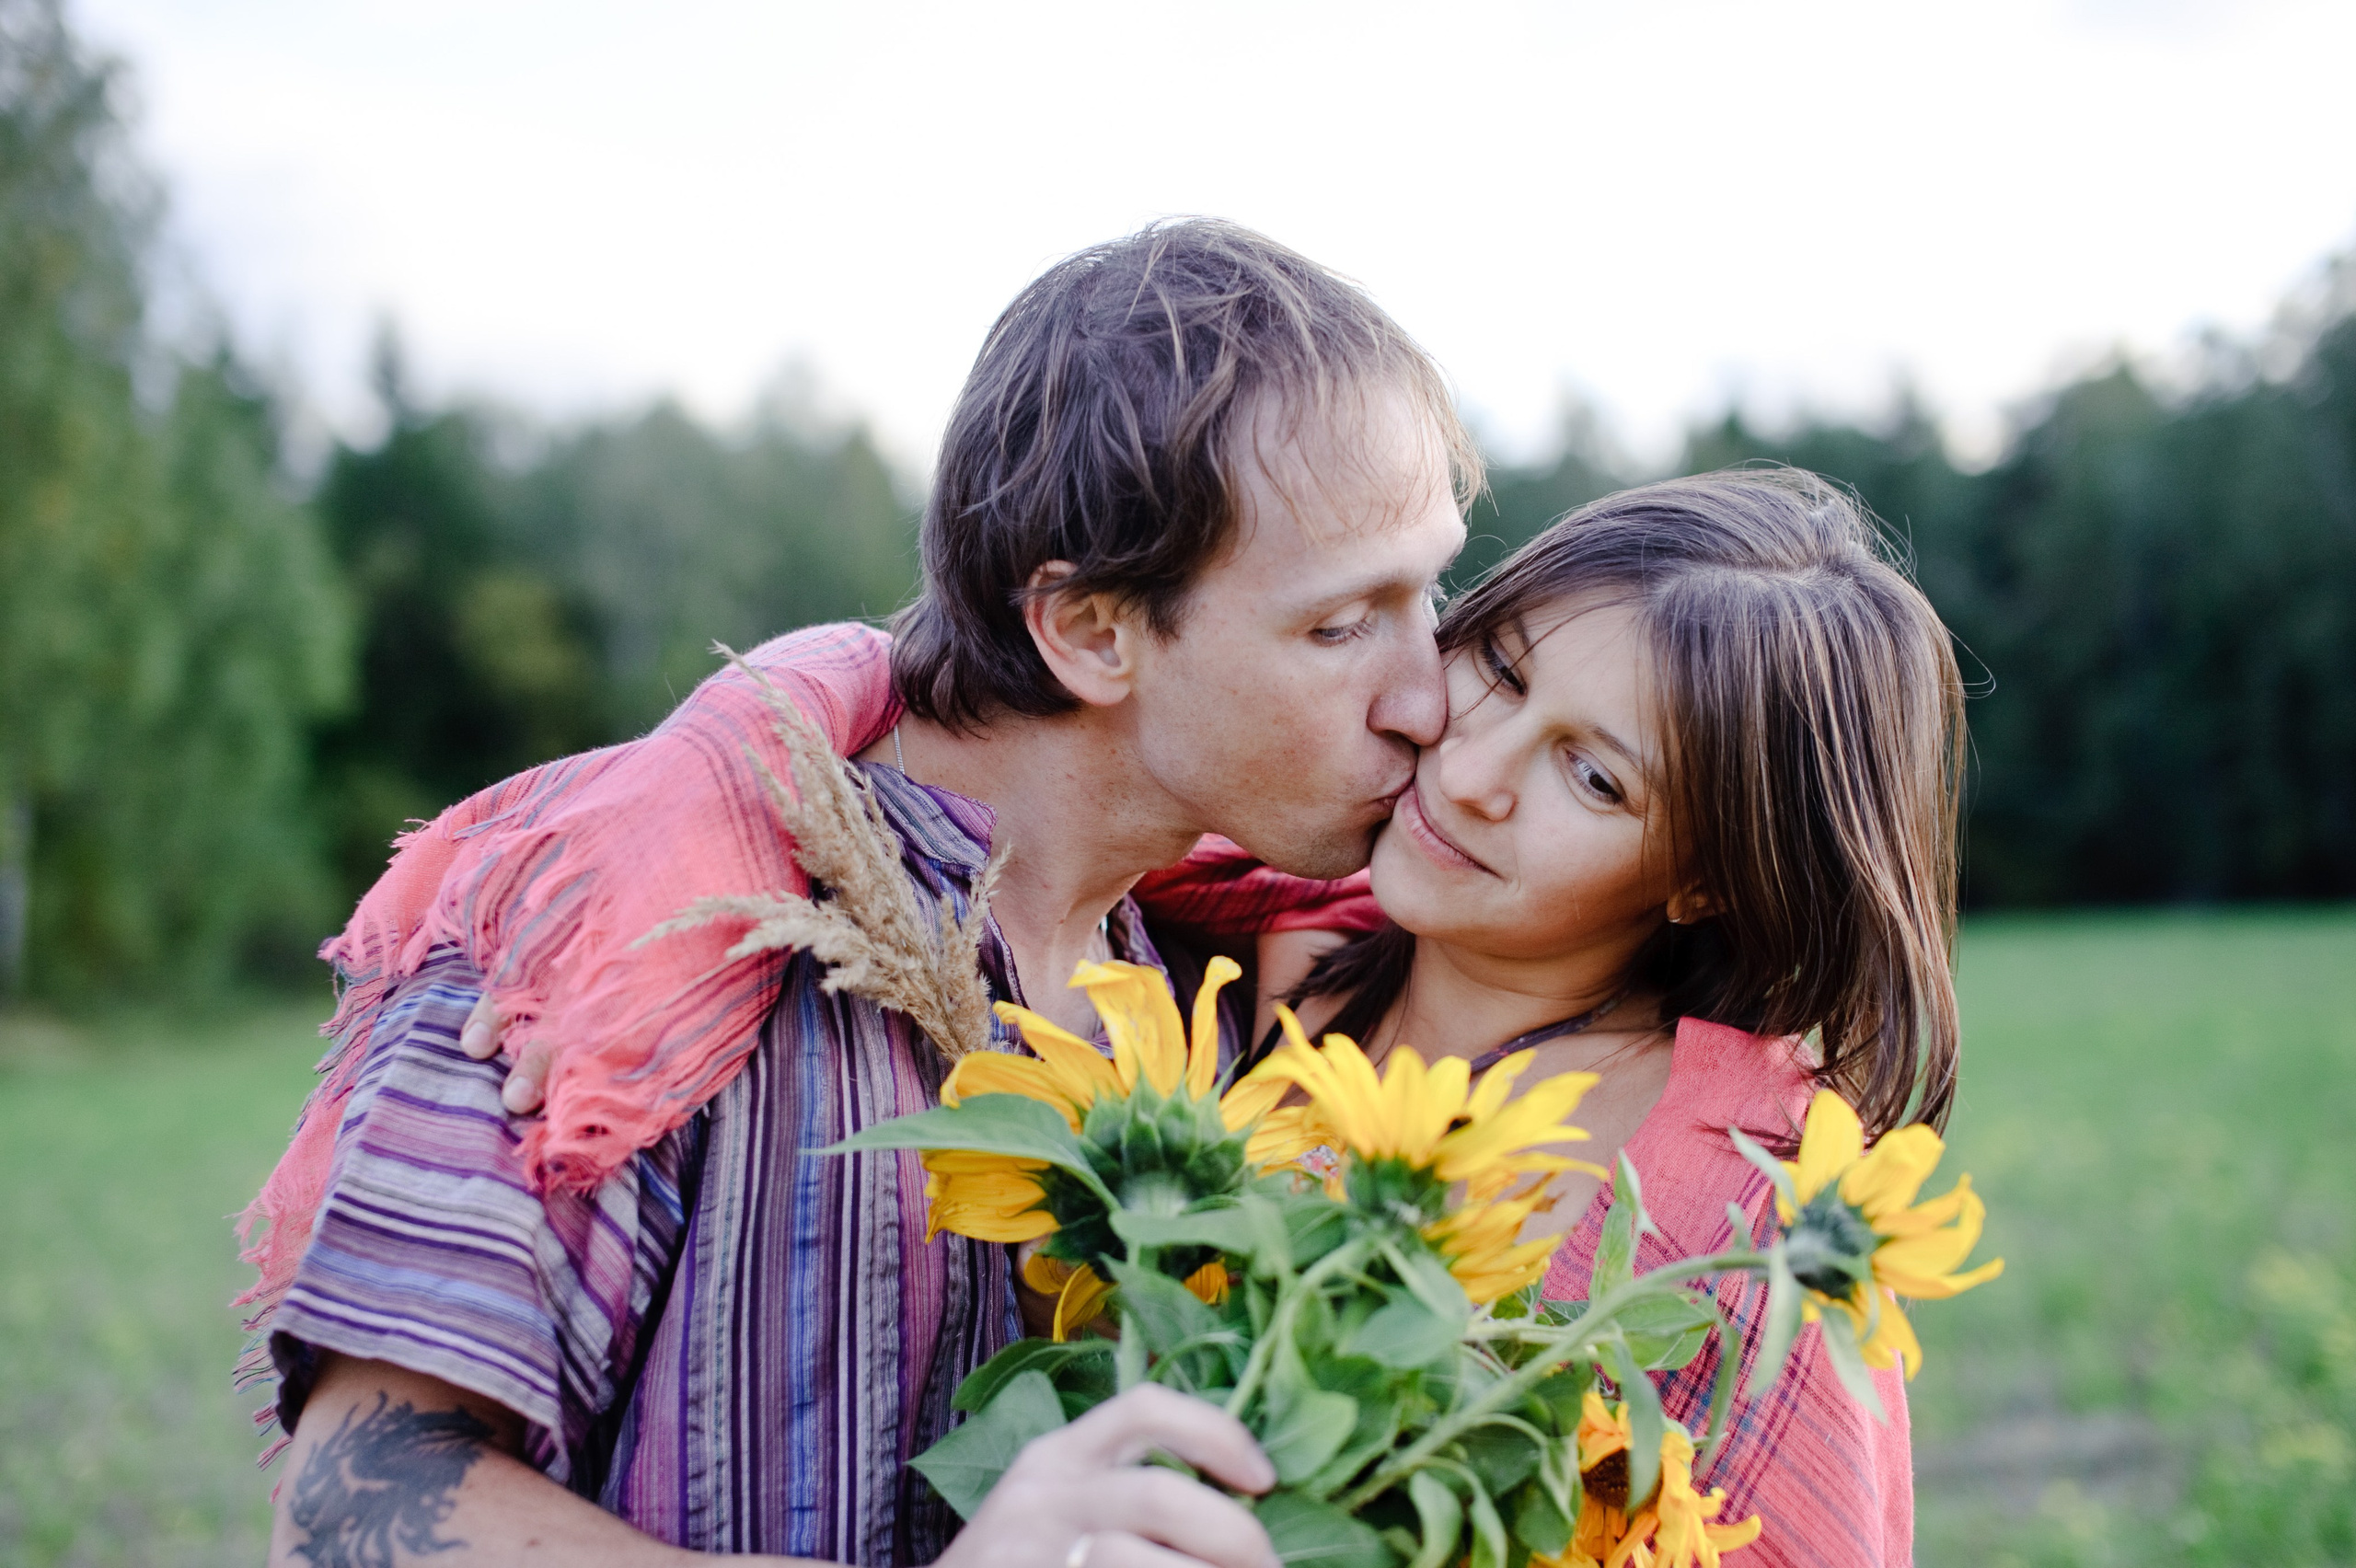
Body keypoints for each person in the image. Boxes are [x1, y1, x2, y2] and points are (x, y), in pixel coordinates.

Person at [238, 218, 1480, 1567]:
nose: (1429, 697)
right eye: (1343, 624)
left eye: (1434, 592)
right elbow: (352, 1509)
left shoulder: (1215, 987)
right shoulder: (628, 924)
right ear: (1093, 631)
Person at [1253, 470, 1963, 1567]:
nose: (1473, 770)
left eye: (1592, 778)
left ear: (1706, 881)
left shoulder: (1743, 1203)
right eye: (1497, 669)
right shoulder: (1272, 931)